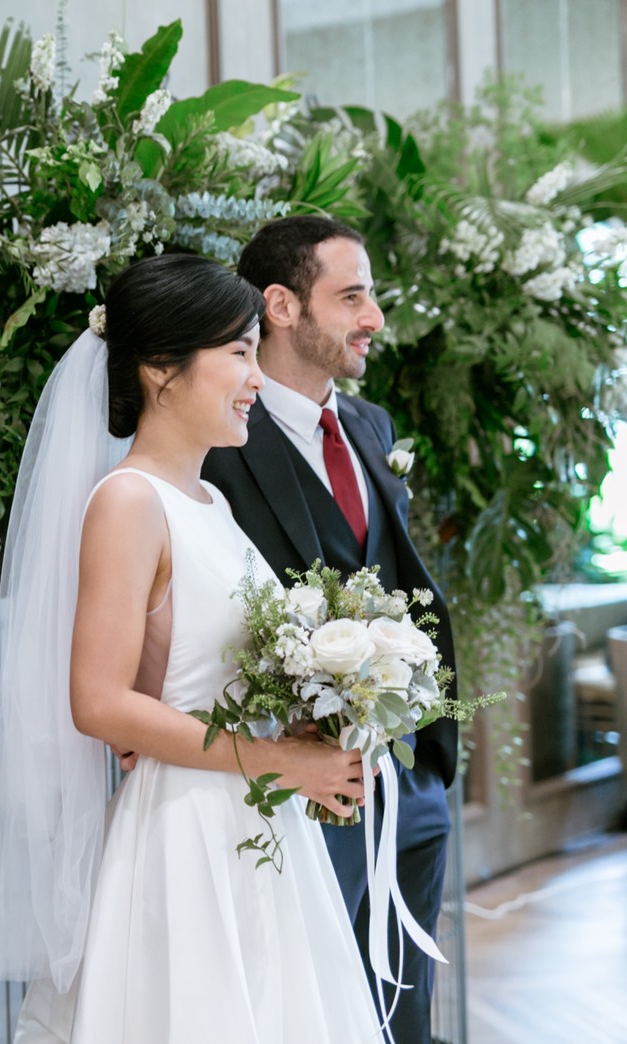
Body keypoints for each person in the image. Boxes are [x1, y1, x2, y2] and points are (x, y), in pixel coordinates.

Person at [0, 253, 383, 1043]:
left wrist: (308, 723)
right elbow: (99, 703)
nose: (256, 378)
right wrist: (279, 761)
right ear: (161, 367)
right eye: (238, 353)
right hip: (185, 837)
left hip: (255, 823)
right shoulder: (129, 502)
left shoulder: (211, 501)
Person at [202, 215, 458, 1044]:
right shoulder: (217, 444)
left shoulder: (371, 426)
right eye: (352, 297)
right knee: (314, 1010)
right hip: (297, 789)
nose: (373, 318)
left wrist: (425, 757)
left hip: (410, 778)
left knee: (406, 1008)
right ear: (281, 306)